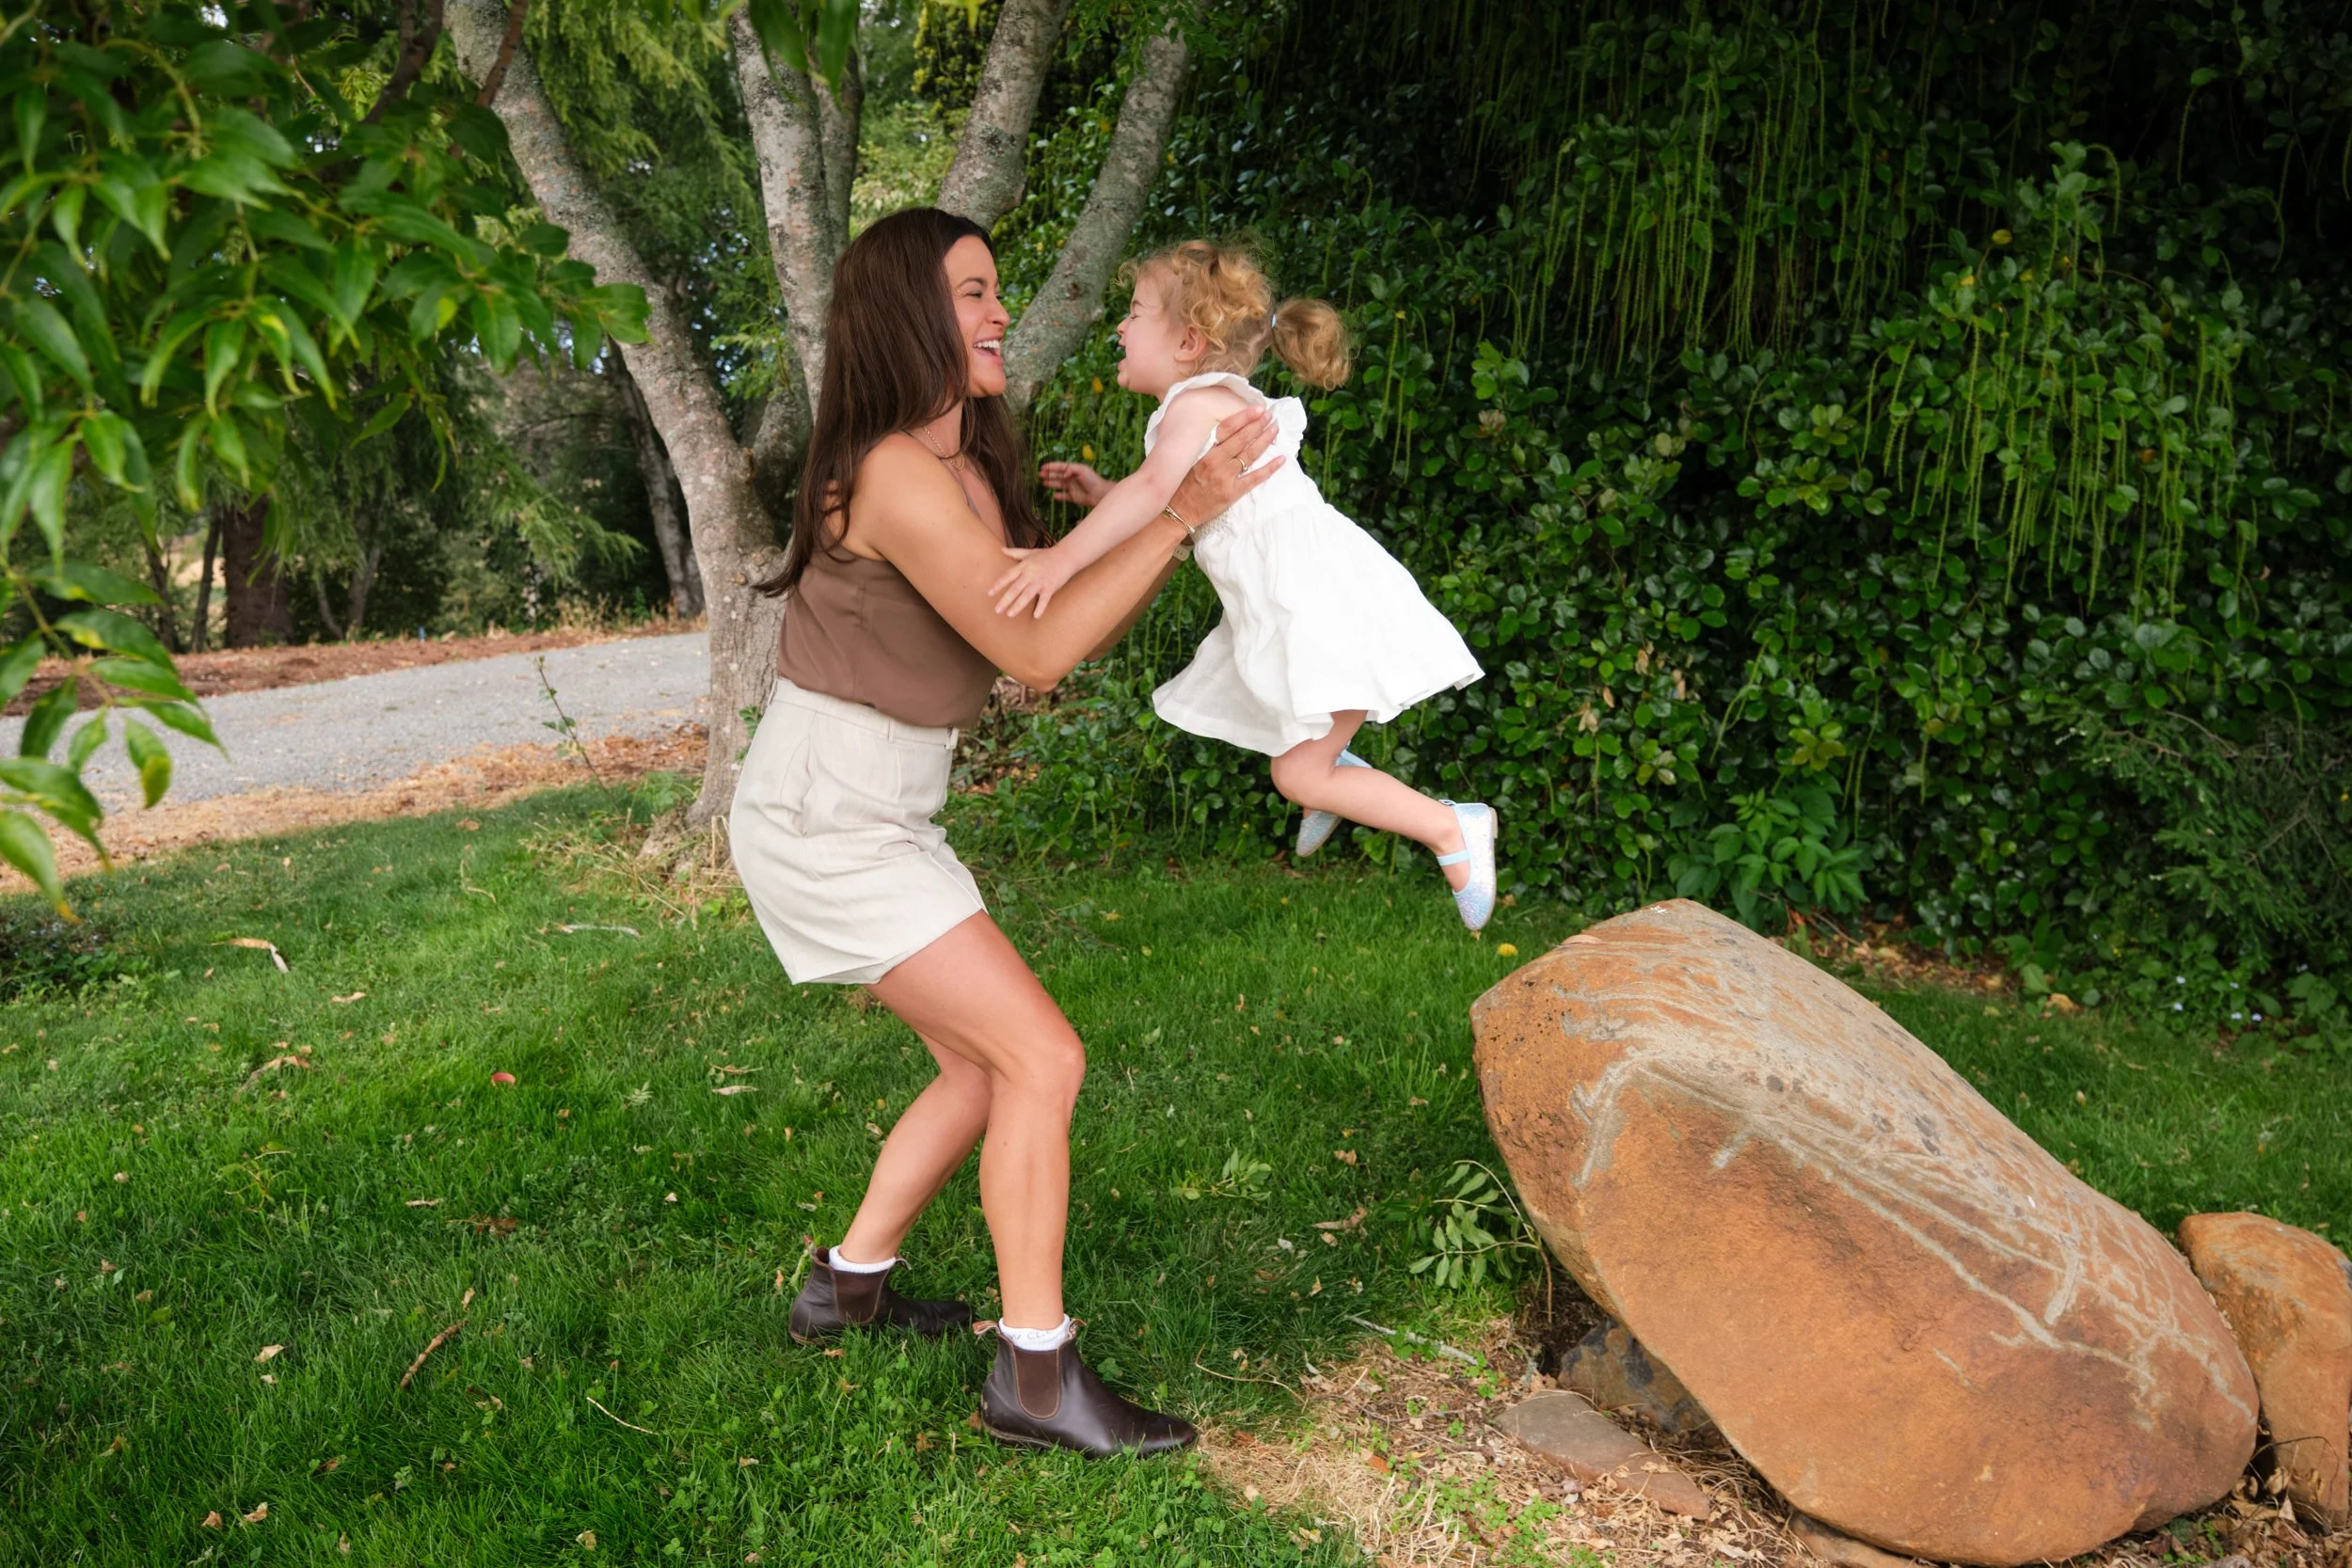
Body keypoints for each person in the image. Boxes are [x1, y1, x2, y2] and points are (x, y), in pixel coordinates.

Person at [728, 208, 1279, 1458]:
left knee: (985, 1065)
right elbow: (1036, 647)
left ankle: (845, 1287)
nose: (996, 316)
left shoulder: (963, 464)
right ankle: (1036, 1376)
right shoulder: (892, 473)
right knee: (1043, 1057)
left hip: (880, 804)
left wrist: (1132, 513)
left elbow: (1032, 617)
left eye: (995, 291)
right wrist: (1179, 513)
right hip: (826, 813)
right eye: (972, 293)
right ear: (908, 314)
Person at [992, 240, 1497, 930]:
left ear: (1189, 341)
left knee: (1296, 773)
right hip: (1308, 596)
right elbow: (1177, 500)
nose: (1120, 325)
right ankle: (1337, 772)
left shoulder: (1192, 406)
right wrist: (1103, 493)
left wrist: (1060, 561)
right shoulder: (1211, 403)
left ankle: (1451, 827)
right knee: (1298, 750)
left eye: (1134, 312)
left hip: (1315, 605)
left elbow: (1152, 493)